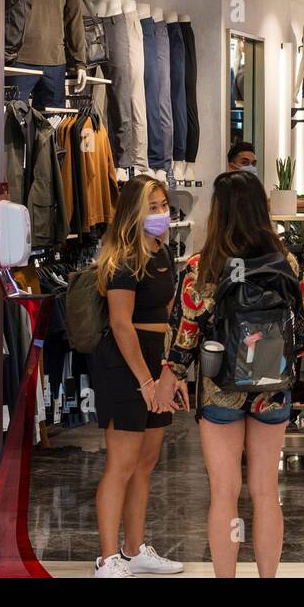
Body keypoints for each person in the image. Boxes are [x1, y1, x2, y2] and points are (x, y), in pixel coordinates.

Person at [158, 170, 304, 577]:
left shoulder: (202, 268)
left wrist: (171, 374)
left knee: (224, 495)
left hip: (219, 389)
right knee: (266, 493)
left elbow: (185, 335)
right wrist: (276, 355)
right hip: (272, 388)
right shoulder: (290, 265)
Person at [91, 175, 185, 578]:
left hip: (155, 361)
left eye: (164, 205)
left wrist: (169, 372)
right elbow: (121, 324)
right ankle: (108, 557)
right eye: (152, 206)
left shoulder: (161, 252)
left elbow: (166, 315)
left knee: (146, 463)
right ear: (134, 211)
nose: (161, 213)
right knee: (122, 463)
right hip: (125, 365)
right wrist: (146, 381)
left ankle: (134, 548)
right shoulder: (123, 260)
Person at [228, 141, 304, 209]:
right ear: (231, 166)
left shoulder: (251, 187)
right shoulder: (228, 188)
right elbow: (268, 204)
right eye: (244, 163)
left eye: (254, 163)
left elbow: (269, 201)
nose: (251, 167)